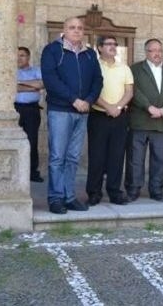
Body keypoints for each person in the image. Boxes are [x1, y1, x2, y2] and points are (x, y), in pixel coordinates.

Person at [41, 17, 102, 214]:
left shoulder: (90, 54)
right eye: (72, 28)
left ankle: (69, 197)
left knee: (73, 157)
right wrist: (74, 99)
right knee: (58, 156)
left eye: (79, 28)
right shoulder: (52, 50)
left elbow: (98, 81)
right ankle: (56, 198)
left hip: (82, 112)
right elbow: (51, 79)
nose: (76, 31)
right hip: (60, 110)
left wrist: (89, 100)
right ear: (64, 29)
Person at [127, 39, 163, 202]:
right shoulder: (135, 69)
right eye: (153, 50)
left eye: (159, 50)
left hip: (162, 122)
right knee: (136, 159)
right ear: (146, 52)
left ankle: (156, 189)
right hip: (140, 121)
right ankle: (133, 189)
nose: (157, 53)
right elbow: (133, 91)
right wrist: (148, 107)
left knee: (160, 159)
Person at [85, 36, 134, 206]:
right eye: (109, 44)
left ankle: (114, 192)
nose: (113, 47)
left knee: (117, 156)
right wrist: (108, 107)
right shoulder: (93, 66)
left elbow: (129, 91)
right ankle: (94, 193)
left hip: (119, 117)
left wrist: (118, 108)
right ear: (99, 47)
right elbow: (91, 91)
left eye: (115, 44)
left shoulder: (124, 68)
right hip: (98, 116)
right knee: (96, 156)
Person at [15, 46, 45, 183]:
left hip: (31, 110)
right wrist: (31, 86)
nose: (19, 58)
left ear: (28, 57)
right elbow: (10, 87)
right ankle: (15, 171)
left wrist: (19, 83)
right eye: (17, 55)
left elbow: (41, 85)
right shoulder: (11, 71)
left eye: (22, 55)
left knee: (32, 141)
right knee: (14, 140)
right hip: (14, 109)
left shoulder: (36, 70)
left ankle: (33, 172)